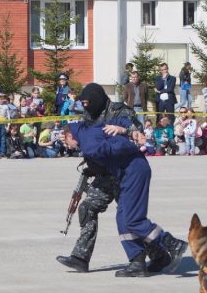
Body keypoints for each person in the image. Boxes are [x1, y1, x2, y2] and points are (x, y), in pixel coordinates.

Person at [56, 83, 176, 275]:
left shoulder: (118, 112)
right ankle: (80, 257)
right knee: (88, 208)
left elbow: (134, 130)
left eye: (88, 103)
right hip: (105, 173)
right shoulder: (88, 116)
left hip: (124, 171)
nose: (85, 107)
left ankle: (145, 257)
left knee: (129, 218)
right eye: (83, 103)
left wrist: (128, 131)